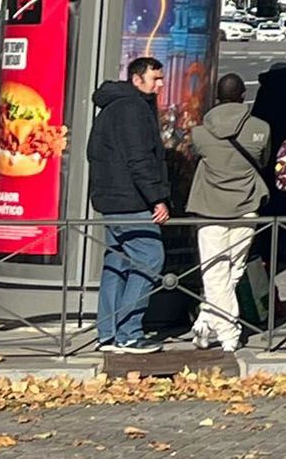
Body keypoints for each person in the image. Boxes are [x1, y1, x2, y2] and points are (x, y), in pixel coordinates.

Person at [89, 57, 170, 353]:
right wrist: (157, 198)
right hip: (131, 199)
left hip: (112, 199)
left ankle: (107, 334)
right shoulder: (133, 109)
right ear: (137, 80)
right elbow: (140, 159)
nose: (160, 85)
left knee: (117, 264)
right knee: (150, 257)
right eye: (155, 79)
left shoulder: (114, 105)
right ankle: (129, 333)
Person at [186, 73, 269, 352]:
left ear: (217, 96)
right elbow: (263, 159)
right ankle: (223, 327)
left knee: (214, 270)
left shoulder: (199, 132)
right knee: (234, 269)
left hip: (209, 207)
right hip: (247, 205)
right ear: (244, 94)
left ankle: (218, 327)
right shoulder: (261, 128)